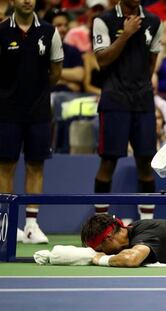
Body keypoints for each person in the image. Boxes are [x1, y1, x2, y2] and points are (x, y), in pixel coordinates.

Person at [92, 0, 162, 220]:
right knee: (108, 162)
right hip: (114, 100)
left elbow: (152, 61)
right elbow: (102, 59)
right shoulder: (103, 20)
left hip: (142, 101)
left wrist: (140, 85)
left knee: (145, 161)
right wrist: (125, 34)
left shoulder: (154, 21)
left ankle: (148, 224)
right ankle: (101, 223)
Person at [0, 0, 63, 243]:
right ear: (13, 1)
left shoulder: (49, 31)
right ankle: (5, 224)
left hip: (38, 112)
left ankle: (31, 225)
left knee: (36, 166)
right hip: (6, 111)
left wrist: (37, 92)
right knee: (6, 166)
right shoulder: (2, 31)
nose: (27, 0)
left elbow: (56, 71)